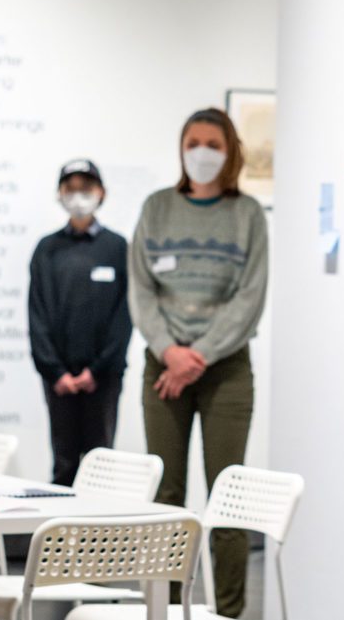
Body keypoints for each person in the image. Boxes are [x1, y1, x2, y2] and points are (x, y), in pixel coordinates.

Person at [129, 107, 268, 618]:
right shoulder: (156, 207)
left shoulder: (247, 214)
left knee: (227, 493)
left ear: (229, 152)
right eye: (194, 142)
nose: (203, 152)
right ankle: (163, 607)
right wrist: (170, 352)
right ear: (181, 148)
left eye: (214, 143)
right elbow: (142, 291)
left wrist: (200, 355)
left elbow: (250, 297)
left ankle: (227, 612)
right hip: (162, 368)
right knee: (165, 493)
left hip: (226, 370)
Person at [28, 159, 133, 487]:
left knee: (99, 465)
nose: (78, 196)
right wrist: (55, 371)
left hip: (102, 379)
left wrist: (97, 370)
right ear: (59, 194)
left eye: (85, 188)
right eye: (70, 189)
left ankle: (99, 538)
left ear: (101, 193)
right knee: (64, 464)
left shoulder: (116, 248)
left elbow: (124, 315)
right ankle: (60, 537)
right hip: (59, 379)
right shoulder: (47, 249)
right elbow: (37, 314)